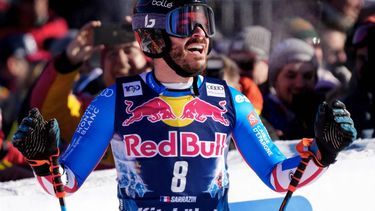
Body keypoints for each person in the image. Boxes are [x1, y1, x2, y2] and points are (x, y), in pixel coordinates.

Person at [12, 1, 356, 210]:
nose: (201, 33)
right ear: (153, 36)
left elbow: (279, 176)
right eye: (186, 23)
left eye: (205, 21)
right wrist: (42, 159)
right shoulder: (113, 101)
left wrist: (324, 153)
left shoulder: (229, 99)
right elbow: (66, 182)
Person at [19, 20, 151, 169]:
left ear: (149, 60)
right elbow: (48, 110)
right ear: (102, 68)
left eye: (128, 50)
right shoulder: (91, 114)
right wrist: (68, 61)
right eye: (112, 54)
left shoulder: (175, 104)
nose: (120, 61)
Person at [262, 38, 329, 140]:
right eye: (291, 76)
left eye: (307, 76)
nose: (300, 84)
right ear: (275, 80)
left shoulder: (327, 111)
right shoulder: (260, 114)